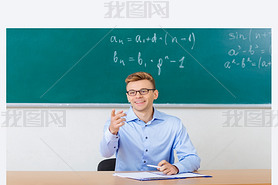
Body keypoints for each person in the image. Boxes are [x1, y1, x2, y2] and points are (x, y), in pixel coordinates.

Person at [100, 72, 200, 175]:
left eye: (144, 91)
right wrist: (112, 132)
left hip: (161, 182)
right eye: (132, 92)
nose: (138, 96)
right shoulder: (117, 123)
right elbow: (106, 153)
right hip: (126, 182)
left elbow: (192, 158)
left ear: (155, 94)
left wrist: (176, 168)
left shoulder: (173, 124)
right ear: (128, 97)